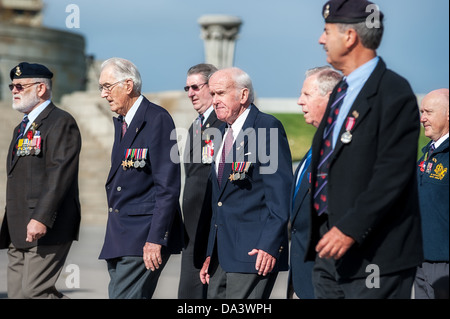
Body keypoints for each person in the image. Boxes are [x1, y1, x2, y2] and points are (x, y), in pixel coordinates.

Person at [306, 0, 423, 298]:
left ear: (349, 37)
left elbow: (392, 175)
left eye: (326, 31)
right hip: (330, 252)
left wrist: (349, 229)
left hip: (375, 257)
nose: (321, 39)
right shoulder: (341, 92)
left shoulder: (394, 93)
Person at [199, 67, 293, 299]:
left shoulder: (266, 127)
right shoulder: (219, 132)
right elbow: (220, 200)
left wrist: (270, 245)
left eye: (220, 93)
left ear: (243, 95)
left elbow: (280, 194)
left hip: (254, 252)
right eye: (212, 94)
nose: (214, 101)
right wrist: (211, 252)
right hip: (221, 255)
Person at [98, 57, 183, 299]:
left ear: (128, 85)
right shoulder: (123, 122)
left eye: (107, 86)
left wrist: (156, 239)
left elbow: (168, 186)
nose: (103, 94)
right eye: (101, 87)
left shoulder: (157, 119)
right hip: (119, 235)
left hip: (143, 237)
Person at [0, 62, 82, 298]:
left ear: (41, 89)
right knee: (16, 295)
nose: (14, 91)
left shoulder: (60, 122)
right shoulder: (21, 128)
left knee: (35, 292)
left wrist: (41, 217)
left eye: (19, 86)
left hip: (45, 226)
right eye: (11, 86)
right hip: (17, 227)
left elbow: (59, 173)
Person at [288, 66, 342, 299]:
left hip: (328, 276)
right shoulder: (319, 142)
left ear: (330, 98)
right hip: (304, 273)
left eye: (307, 95)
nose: (300, 101)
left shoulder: (341, 145)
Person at [178, 63, 223, 299]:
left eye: (195, 87)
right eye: (187, 88)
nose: (190, 93)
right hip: (192, 227)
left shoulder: (223, 123)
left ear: (211, 86)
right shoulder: (196, 125)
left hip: (208, 226)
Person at [415, 88, 449, 299]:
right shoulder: (428, 152)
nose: (422, 118)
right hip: (421, 259)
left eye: (428, 112)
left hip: (444, 264)